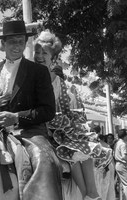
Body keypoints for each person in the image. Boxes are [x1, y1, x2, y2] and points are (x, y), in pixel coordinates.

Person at [33, 30, 113, 200]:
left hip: (56, 126)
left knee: (77, 144)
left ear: (52, 57)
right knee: (72, 145)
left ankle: (90, 193)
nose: (39, 55)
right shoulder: (31, 75)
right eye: (37, 51)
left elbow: (65, 108)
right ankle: (88, 194)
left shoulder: (58, 82)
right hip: (42, 125)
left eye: (44, 52)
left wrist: (67, 122)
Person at [0, 20, 62, 200]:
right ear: (3, 44)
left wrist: (16, 117)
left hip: (30, 131)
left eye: (21, 41)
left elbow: (48, 110)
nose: (17, 46)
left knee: (46, 160)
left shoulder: (38, 71)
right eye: (13, 41)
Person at [114, 129, 127, 199]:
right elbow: (124, 156)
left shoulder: (117, 143)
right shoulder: (123, 144)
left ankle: (122, 198)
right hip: (122, 164)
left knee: (121, 184)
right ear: (125, 136)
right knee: (126, 184)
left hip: (118, 164)